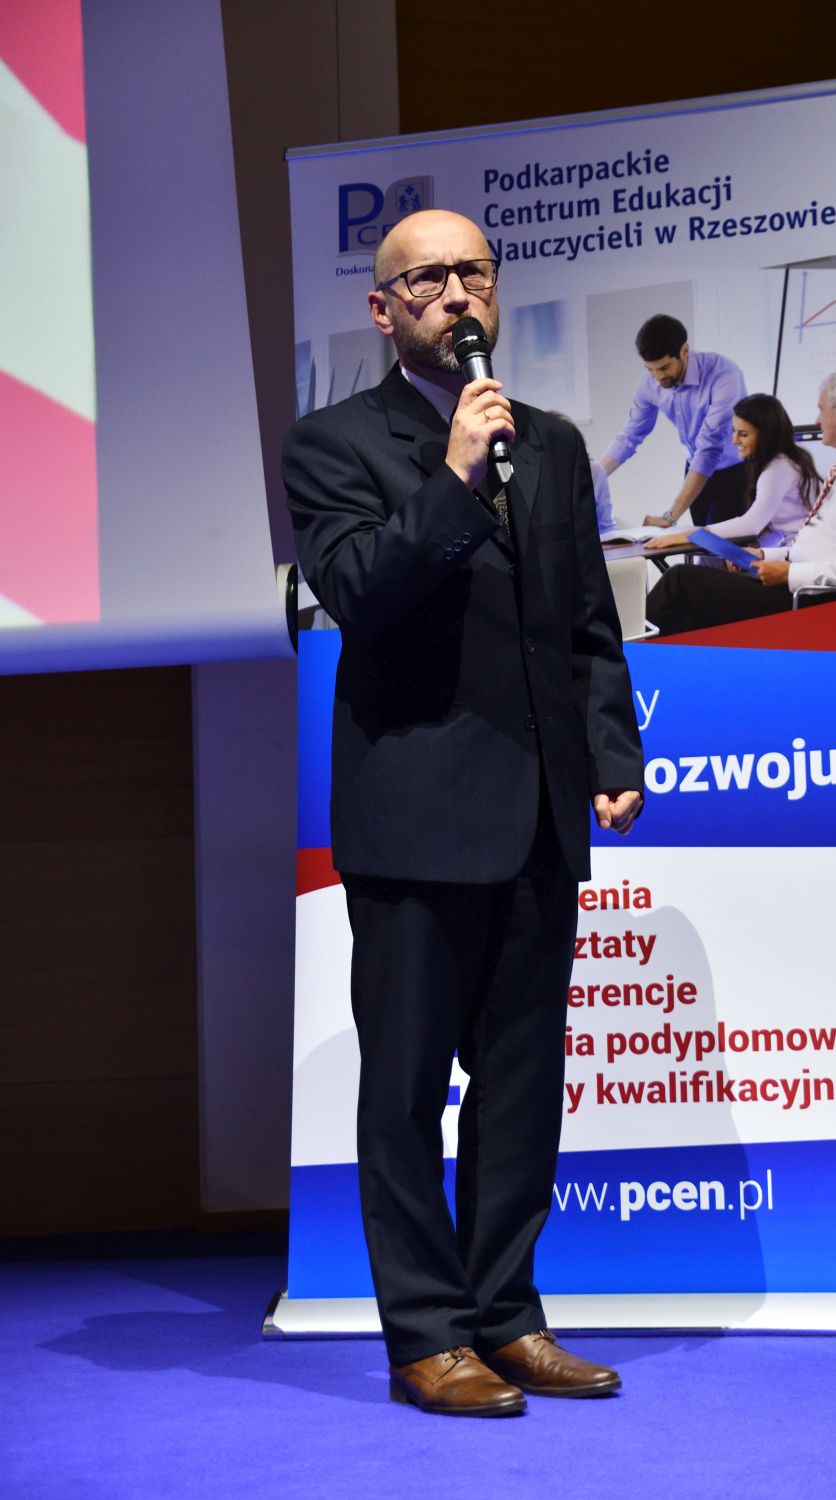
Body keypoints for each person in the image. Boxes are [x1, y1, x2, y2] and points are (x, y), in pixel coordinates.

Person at [283, 210, 644, 1417]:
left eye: (472, 273)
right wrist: (448, 476)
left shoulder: (551, 443)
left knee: (521, 1084)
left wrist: (610, 751)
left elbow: (584, 620)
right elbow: (359, 591)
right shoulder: (333, 442)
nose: (455, 293)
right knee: (404, 1090)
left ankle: (507, 1316)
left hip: (538, 813)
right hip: (415, 812)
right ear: (383, 309)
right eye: (427, 278)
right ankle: (427, 1335)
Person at [644, 368, 836, 636]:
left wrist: (791, 574)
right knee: (684, 616)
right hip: (799, 587)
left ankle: (622, 657)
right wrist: (768, 557)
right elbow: (828, 546)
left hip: (813, 602)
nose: (817, 420)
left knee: (680, 582)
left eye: (821, 409)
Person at [599, 313, 748, 528]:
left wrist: (670, 517)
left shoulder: (723, 374)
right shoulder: (650, 382)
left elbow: (709, 448)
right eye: (650, 370)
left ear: (684, 351)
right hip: (694, 468)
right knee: (701, 543)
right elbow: (630, 435)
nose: (658, 378)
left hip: (734, 472)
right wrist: (593, 477)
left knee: (728, 545)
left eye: (664, 368)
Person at [645, 392, 820, 553]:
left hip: (797, 559)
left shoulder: (777, 469)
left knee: (681, 573)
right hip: (792, 554)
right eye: (734, 431)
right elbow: (775, 527)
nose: (734, 440)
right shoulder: (786, 461)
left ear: (766, 435)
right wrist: (755, 550)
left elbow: (751, 524)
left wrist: (688, 535)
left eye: (743, 434)